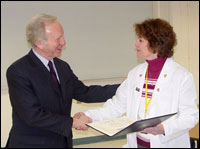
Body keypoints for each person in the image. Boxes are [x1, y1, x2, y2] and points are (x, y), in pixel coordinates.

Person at [75, 18, 199, 148]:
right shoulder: (135, 73)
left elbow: (190, 116)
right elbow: (116, 106)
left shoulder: (182, 76)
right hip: (137, 143)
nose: (135, 44)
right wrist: (89, 116)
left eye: (140, 40)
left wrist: (164, 128)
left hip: (166, 143)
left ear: (156, 43)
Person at [6, 13, 119, 148]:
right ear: (39, 42)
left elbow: (85, 93)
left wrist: (126, 86)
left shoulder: (62, 67)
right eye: (58, 39)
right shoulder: (19, 71)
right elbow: (32, 115)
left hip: (62, 143)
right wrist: (72, 122)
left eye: (62, 37)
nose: (63, 42)